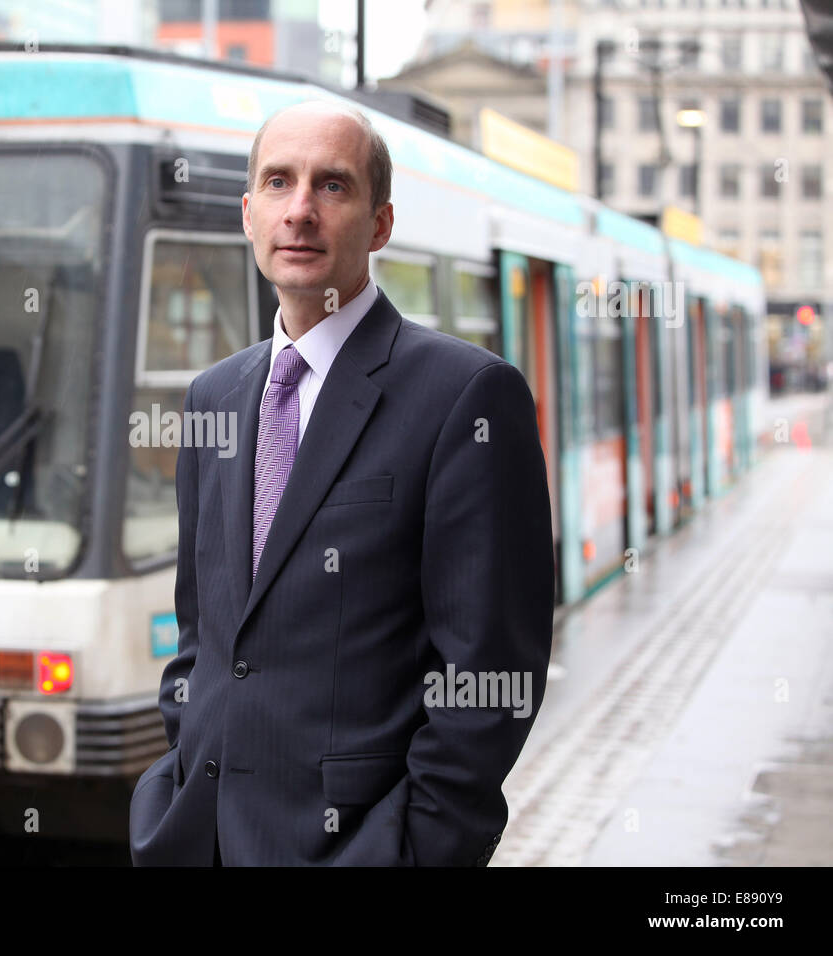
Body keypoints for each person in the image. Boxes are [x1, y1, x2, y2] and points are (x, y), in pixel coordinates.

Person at [128, 99, 555, 866]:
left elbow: (489, 674)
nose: (300, 211)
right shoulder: (213, 398)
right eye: (278, 183)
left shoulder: (466, 395)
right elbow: (206, 635)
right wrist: (179, 772)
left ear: (380, 223)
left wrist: (416, 847)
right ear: (248, 214)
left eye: (332, 186)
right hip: (202, 837)